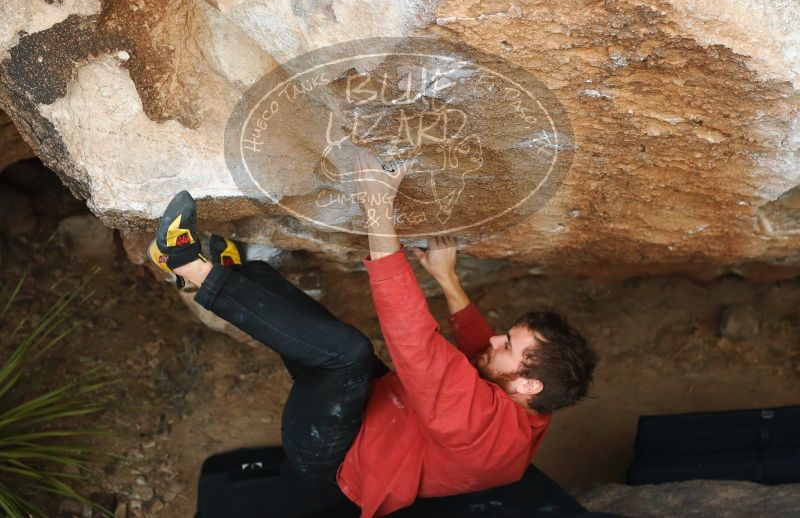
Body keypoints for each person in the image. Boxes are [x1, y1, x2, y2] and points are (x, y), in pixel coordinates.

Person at [149, 149, 596, 517]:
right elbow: (481, 353)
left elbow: (413, 336)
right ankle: (232, 276)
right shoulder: (534, 403)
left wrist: (378, 206)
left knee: (344, 354)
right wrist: (447, 278)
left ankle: (183, 260)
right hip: (382, 419)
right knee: (334, 346)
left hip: (335, 460)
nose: (496, 338)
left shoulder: (479, 426)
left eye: (508, 344)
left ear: (527, 382)